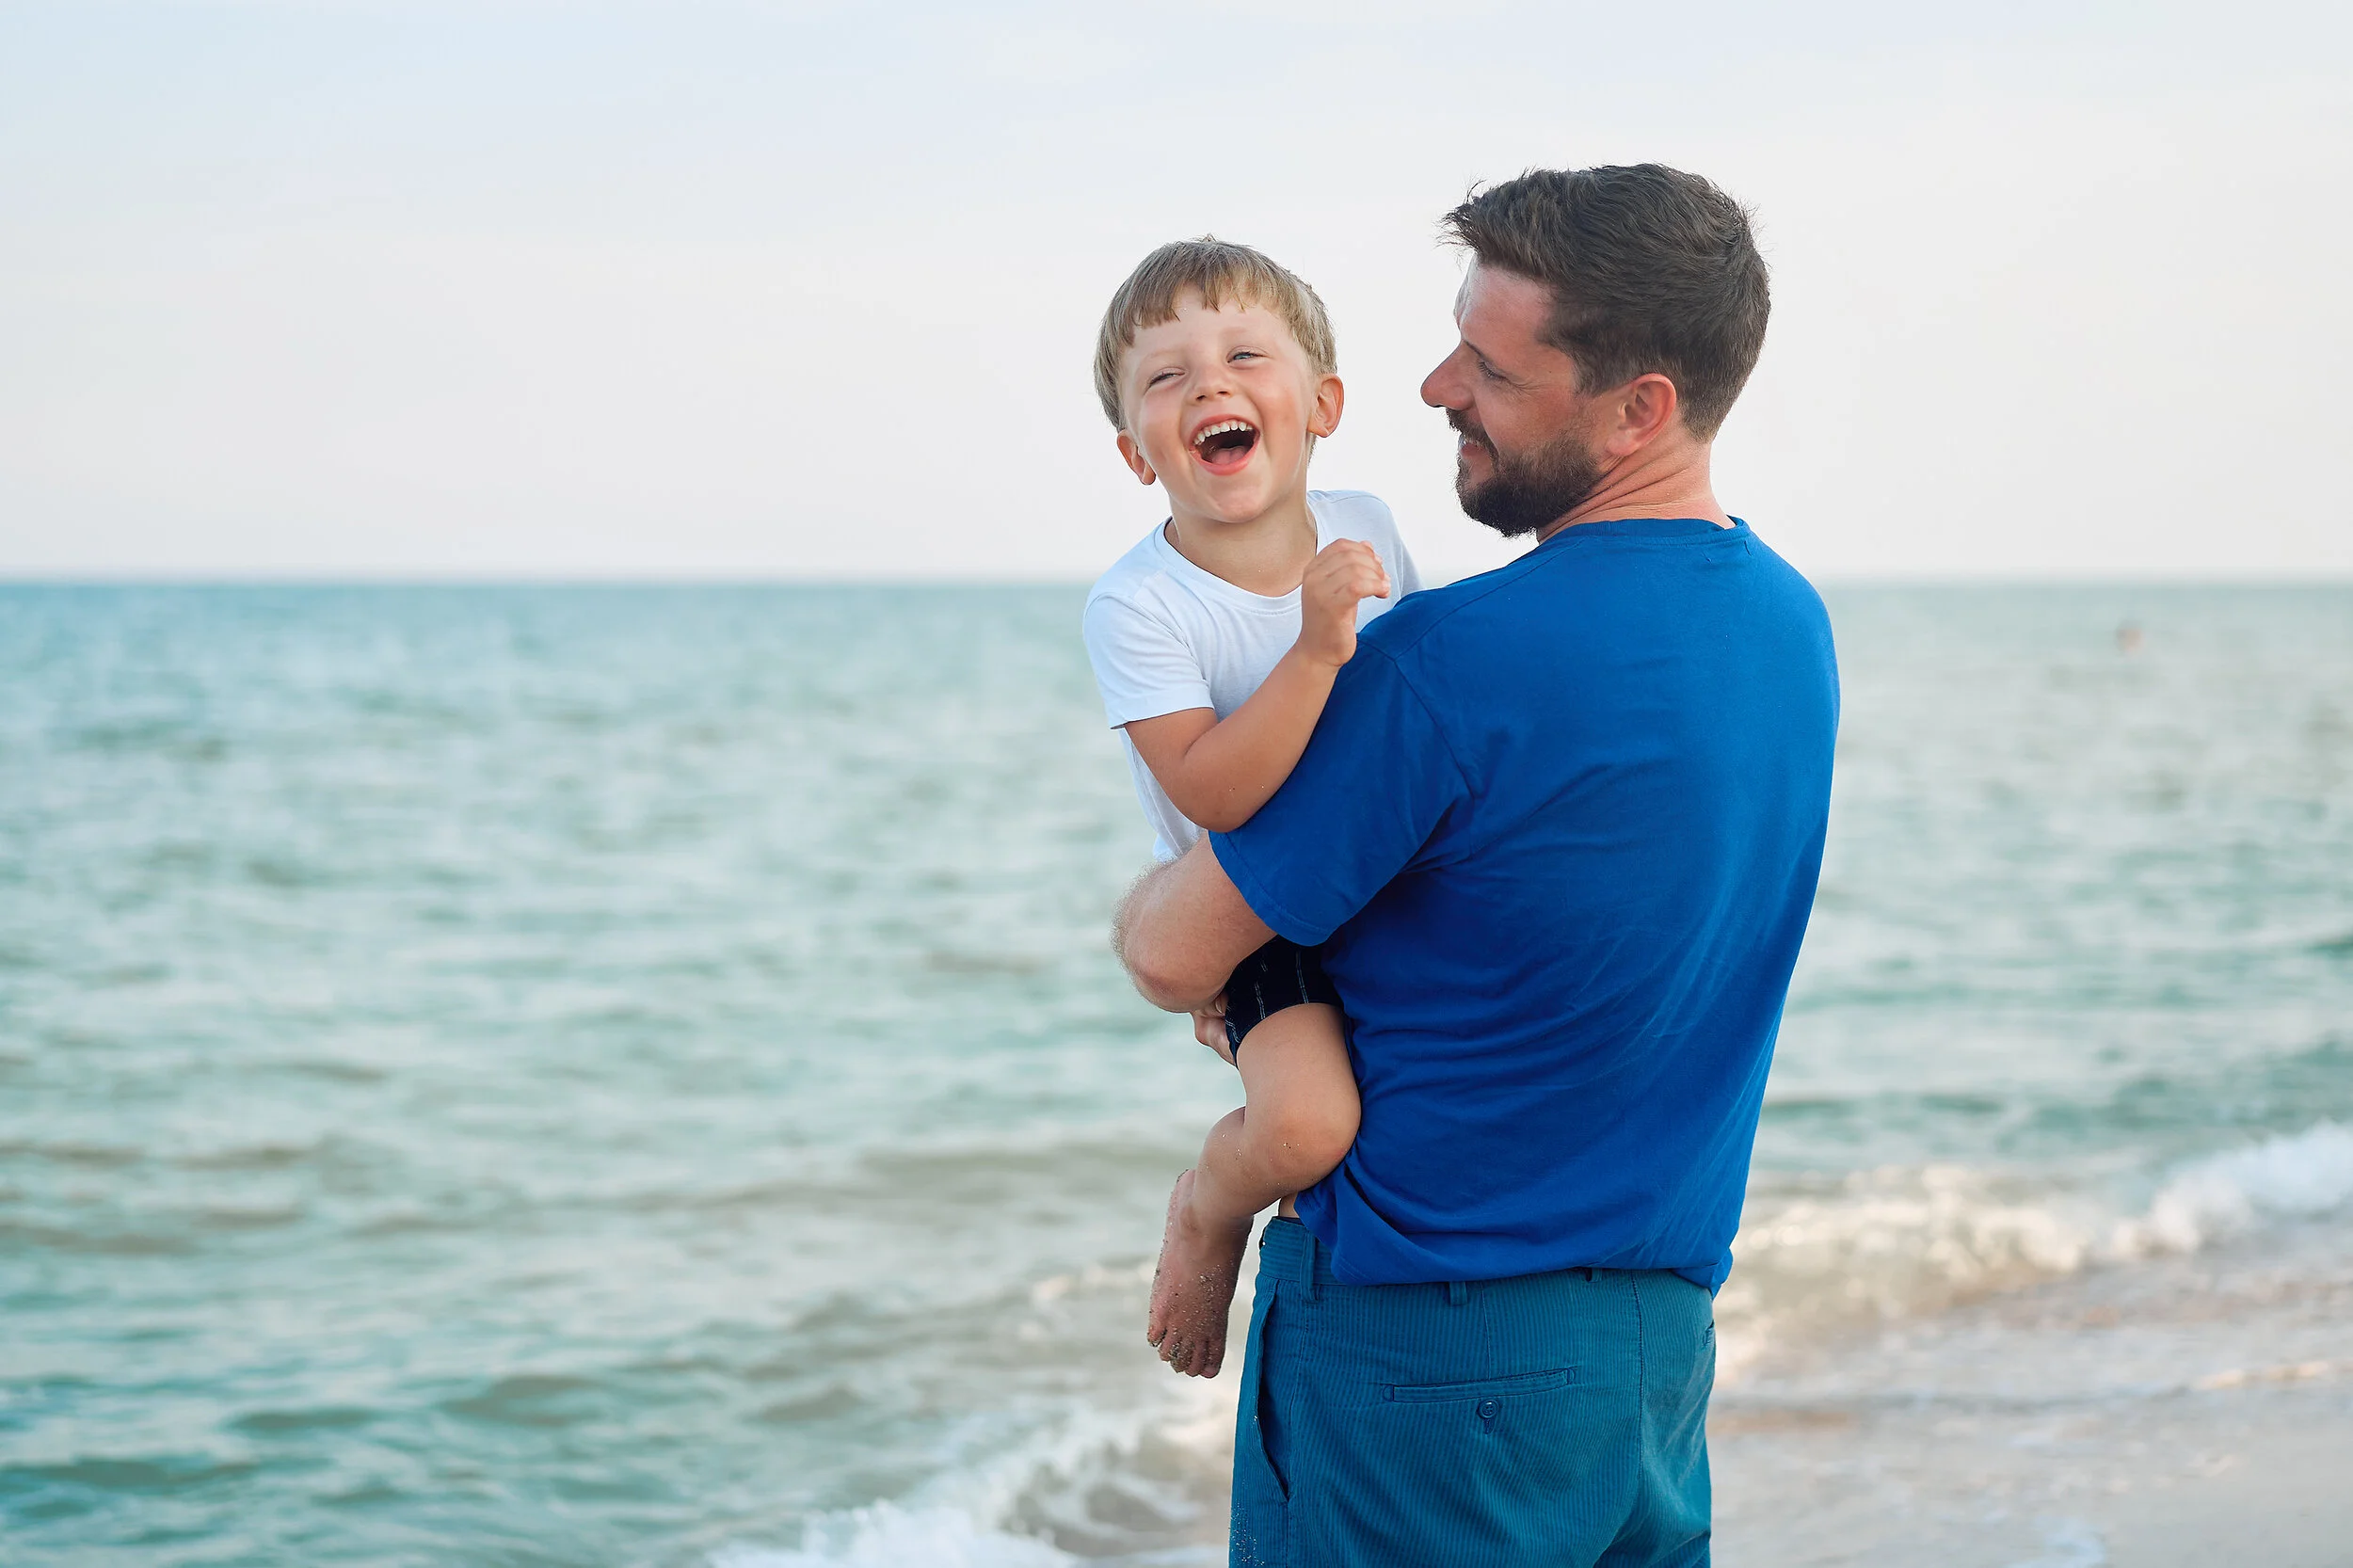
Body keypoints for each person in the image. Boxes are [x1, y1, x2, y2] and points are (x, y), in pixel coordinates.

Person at [1114, 166, 1839, 1566]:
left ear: (1640, 408)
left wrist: (1167, 906)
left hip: (1423, 1358)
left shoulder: (1444, 660)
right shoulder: (1788, 626)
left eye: (1495, 368)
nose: (1440, 383)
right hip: (1653, 1360)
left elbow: (1172, 953)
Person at [1080, 238, 1423, 1380]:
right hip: (1261, 918)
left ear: (1320, 404)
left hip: (1391, 890)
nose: (1209, 387)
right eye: (1166, 378)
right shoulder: (1139, 604)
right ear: (1138, 452)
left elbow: (1427, 696)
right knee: (1303, 1128)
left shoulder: (1365, 517)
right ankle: (1210, 1210)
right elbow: (1212, 789)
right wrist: (1318, 649)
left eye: (1242, 357)